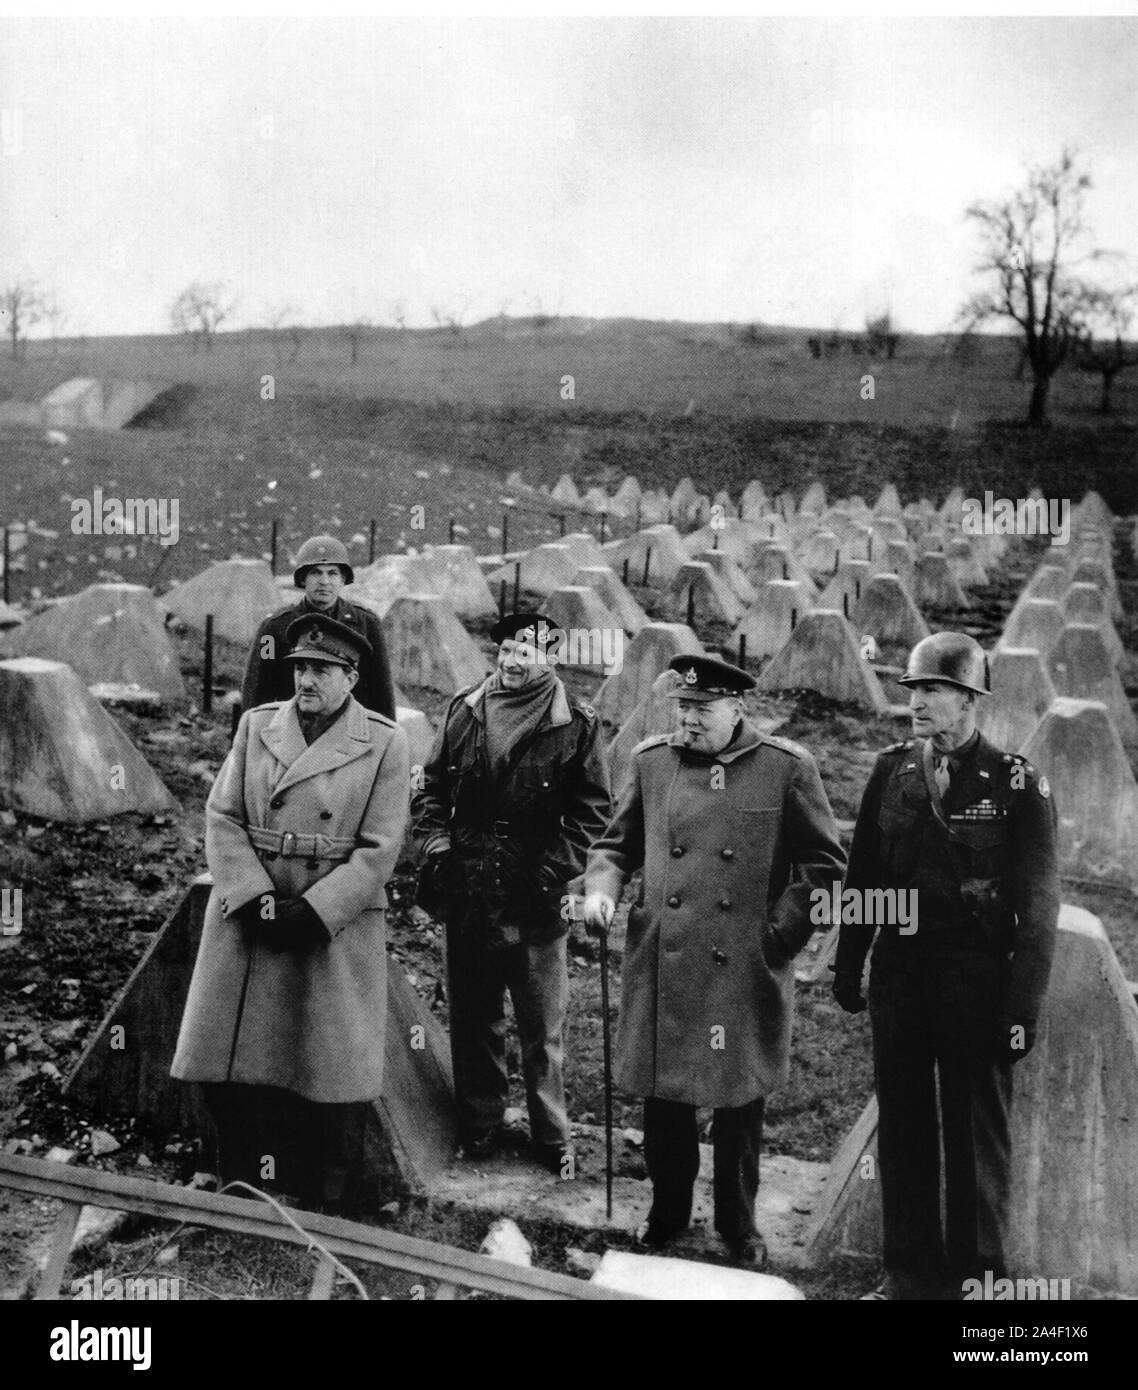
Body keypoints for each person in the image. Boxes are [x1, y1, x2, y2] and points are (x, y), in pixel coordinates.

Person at [582, 655, 846, 1265]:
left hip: (742, 964)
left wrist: (777, 938)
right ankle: (668, 1211)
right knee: (665, 1098)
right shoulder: (652, 762)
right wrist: (601, 889)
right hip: (667, 956)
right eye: (682, 708)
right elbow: (615, 845)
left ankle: (738, 1222)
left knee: (737, 1103)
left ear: (737, 709)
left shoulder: (785, 768)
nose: (689, 721)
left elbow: (823, 868)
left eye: (702, 709)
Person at [832, 631, 1059, 1300]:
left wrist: (1021, 1010)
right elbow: (864, 874)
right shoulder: (892, 770)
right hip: (900, 976)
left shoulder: (1016, 783)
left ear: (968, 699)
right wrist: (850, 963)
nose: (918, 702)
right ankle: (907, 1273)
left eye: (933, 690)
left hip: (975, 981)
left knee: (974, 1137)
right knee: (903, 1128)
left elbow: (1040, 908)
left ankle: (978, 1280)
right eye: (914, 690)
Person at [172, 610, 410, 1213]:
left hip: (332, 922)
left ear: (351, 678)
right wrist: (252, 896)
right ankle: (242, 1182)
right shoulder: (257, 727)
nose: (306, 680)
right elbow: (222, 815)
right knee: (228, 1052)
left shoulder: (383, 741)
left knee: (329, 1060)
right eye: (301, 667)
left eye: (322, 670)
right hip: (252, 914)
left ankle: (326, 1194)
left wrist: (317, 909)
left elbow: (382, 848)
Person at [410, 612, 611, 1173]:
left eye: (528, 651)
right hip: (468, 888)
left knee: (540, 1026)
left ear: (551, 657)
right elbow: (431, 785)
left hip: (534, 897)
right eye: (505, 650)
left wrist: (550, 872)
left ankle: (551, 1136)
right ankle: (480, 1124)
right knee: (473, 1018)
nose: (513, 661)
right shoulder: (464, 709)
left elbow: (594, 812)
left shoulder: (577, 724)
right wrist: (435, 846)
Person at [241, 533, 396, 719]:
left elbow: (381, 691)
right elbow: (258, 690)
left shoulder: (366, 624)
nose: (324, 581)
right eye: (315, 573)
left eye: (332, 573)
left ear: (343, 579)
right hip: (293, 730)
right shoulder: (273, 629)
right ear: (302, 579)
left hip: (349, 733)